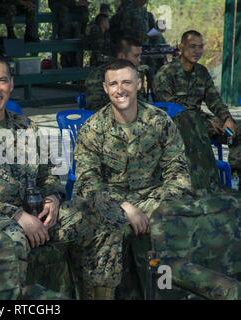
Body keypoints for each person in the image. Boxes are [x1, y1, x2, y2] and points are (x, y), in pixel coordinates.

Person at [0, 55, 124, 300]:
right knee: (12, 240)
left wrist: (52, 199)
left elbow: (49, 175)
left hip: (33, 215)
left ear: (11, 84)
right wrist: (17, 216)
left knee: (102, 217)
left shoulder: (27, 128)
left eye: (2, 81)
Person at [75, 59, 194, 299]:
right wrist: (124, 207)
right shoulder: (92, 129)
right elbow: (87, 182)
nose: (120, 89)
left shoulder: (159, 122)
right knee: (105, 226)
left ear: (139, 84)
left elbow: (178, 172)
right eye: (114, 83)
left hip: (153, 196)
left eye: (127, 82)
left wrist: (156, 208)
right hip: (113, 202)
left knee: (177, 219)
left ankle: (169, 291)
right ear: (105, 87)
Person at [153, 30, 241, 192]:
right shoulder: (165, 73)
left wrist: (227, 117)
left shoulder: (202, 72)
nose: (197, 51)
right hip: (180, 127)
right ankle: (204, 186)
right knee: (193, 125)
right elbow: (171, 108)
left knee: (238, 127)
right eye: (192, 46)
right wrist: (207, 120)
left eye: (200, 47)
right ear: (181, 47)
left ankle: (234, 173)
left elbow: (214, 100)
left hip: (202, 122)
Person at [85, 36, 146, 111]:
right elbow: (94, 107)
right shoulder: (99, 75)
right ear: (121, 56)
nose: (139, 60)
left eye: (140, 55)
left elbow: (141, 103)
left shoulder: (134, 73)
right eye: (136, 56)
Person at [48, 0, 89, 67]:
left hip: (70, 5)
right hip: (58, 4)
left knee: (84, 9)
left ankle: (83, 32)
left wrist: (81, 3)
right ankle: (61, 33)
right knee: (63, 10)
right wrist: (76, 3)